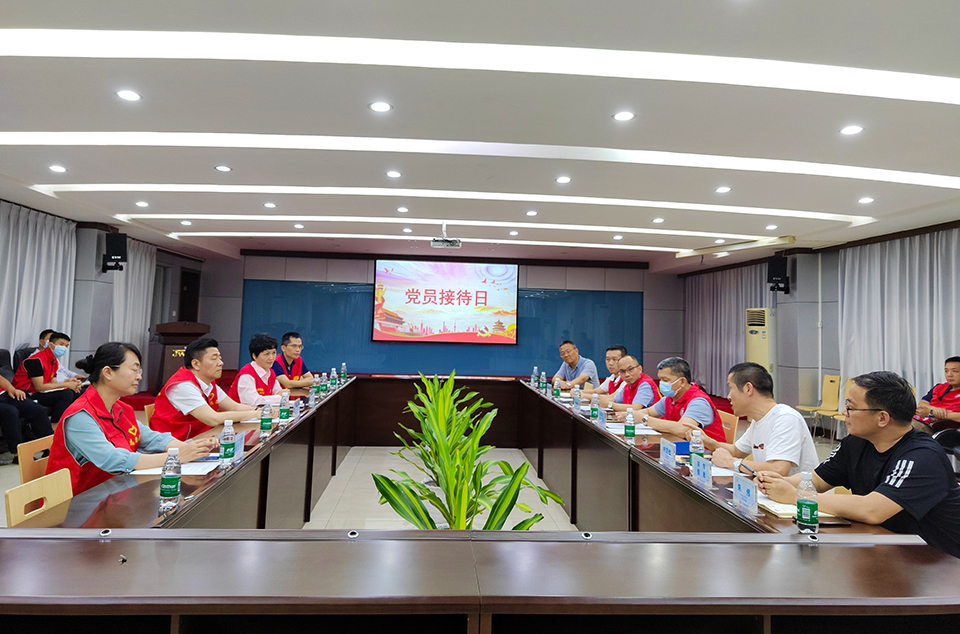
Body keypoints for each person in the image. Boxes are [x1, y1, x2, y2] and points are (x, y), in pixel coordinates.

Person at [759, 371, 960, 559]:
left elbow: (872, 510)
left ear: (882, 418)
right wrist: (776, 482)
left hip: (936, 561)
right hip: (885, 548)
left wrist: (798, 497)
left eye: (850, 407)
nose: (843, 412)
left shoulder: (922, 456)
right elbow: (816, 480)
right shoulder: (856, 443)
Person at [45, 342, 218, 495]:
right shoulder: (80, 416)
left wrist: (191, 448)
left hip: (114, 493)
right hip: (78, 505)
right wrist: (176, 456)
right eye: (134, 369)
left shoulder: (121, 409)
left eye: (139, 370)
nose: (139, 376)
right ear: (108, 372)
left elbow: (151, 438)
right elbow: (112, 460)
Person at [690, 362, 817, 477]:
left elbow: (779, 470)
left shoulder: (786, 418)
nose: (728, 396)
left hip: (794, 494)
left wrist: (731, 462)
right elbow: (736, 451)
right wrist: (707, 441)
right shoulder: (758, 420)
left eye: (731, 388)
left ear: (748, 389)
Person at [150, 336, 260, 441]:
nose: (221, 363)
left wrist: (259, 411)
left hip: (200, 439)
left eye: (220, 358)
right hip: (174, 445)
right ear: (196, 364)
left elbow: (234, 407)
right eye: (214, 359)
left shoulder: (208, 383)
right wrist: (256, 414)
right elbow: (213, 419)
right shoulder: (183, 386)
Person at [632, 356, 726, 443]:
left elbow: (682, 429)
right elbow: (649, 411)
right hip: (678, 447)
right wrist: (629, 415)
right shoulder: (670, 398)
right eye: (660, 379)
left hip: (703, 452)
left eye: (665, 380)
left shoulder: (699, 402)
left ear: (682, 382)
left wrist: (644, 419)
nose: (661, 383)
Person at [12, 331, 81, 424]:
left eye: (66, 346)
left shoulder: (54, 361)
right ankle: (54, 426)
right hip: (26, 394)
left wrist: (70, 382)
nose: (64, 348)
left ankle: (69, 424)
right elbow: (39, 387)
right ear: (51, 345)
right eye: (61, 344)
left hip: (40, 392)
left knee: (77, 392)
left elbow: (52, 381)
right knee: (66, 394)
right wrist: (66, 384)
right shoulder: (35, 360)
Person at [0, 374, 53, 464]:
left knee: (36, 409)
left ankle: (50, 448)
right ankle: (19, 455)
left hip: (3, 395)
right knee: (10, 412)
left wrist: (12, 389)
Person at [228, 333, 285, 407]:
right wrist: (279, 397)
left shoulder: (270, 372)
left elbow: (279, 392)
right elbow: (252, 402)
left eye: (274, 353)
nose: (271, 358)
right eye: (266, 354)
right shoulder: (247, 375)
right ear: (254, 356)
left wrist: (282, 395)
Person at [914, 356, 960, 431]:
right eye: (946, 371)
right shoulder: (939, 387)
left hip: (938, 429)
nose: (949, 375)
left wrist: (931, 413)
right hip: (920, 420)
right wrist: (935, 410)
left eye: (955, 371)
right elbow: (922, 404)